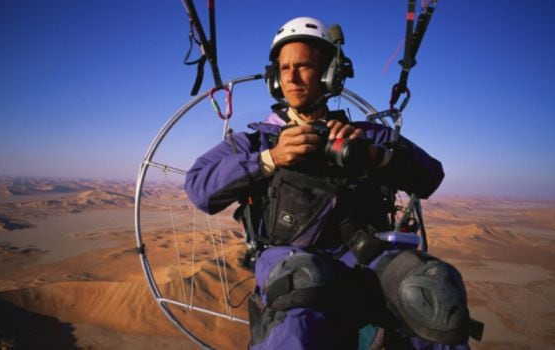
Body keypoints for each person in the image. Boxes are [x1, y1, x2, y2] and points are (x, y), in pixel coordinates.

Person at [186, 17, 476, 349]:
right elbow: (199, 188)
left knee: (431, 293)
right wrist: (270, 160)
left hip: (366, 254)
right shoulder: (256, 142)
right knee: (299, 296)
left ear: (329, 73)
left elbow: (430, 177)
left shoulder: (370, 136)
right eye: (284, 69)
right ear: (274, 79)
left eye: (303, 66)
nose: (292, 77)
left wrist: (374, 156)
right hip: (288, 254)